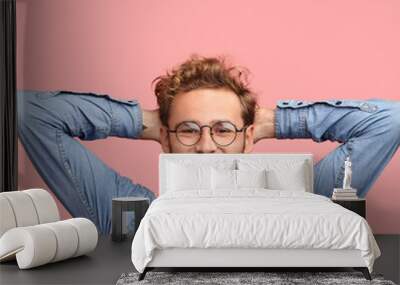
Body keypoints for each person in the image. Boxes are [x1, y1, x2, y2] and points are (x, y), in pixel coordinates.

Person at [17, 55, 400, 234]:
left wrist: (270, 122)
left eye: (222, 130)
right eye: (188, 130)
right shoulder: (135, 217)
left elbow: (390, 121)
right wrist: (144, 122)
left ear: (249, 137)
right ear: (163, 137)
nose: (205, 147)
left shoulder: (305, 205)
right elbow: (26, 112)